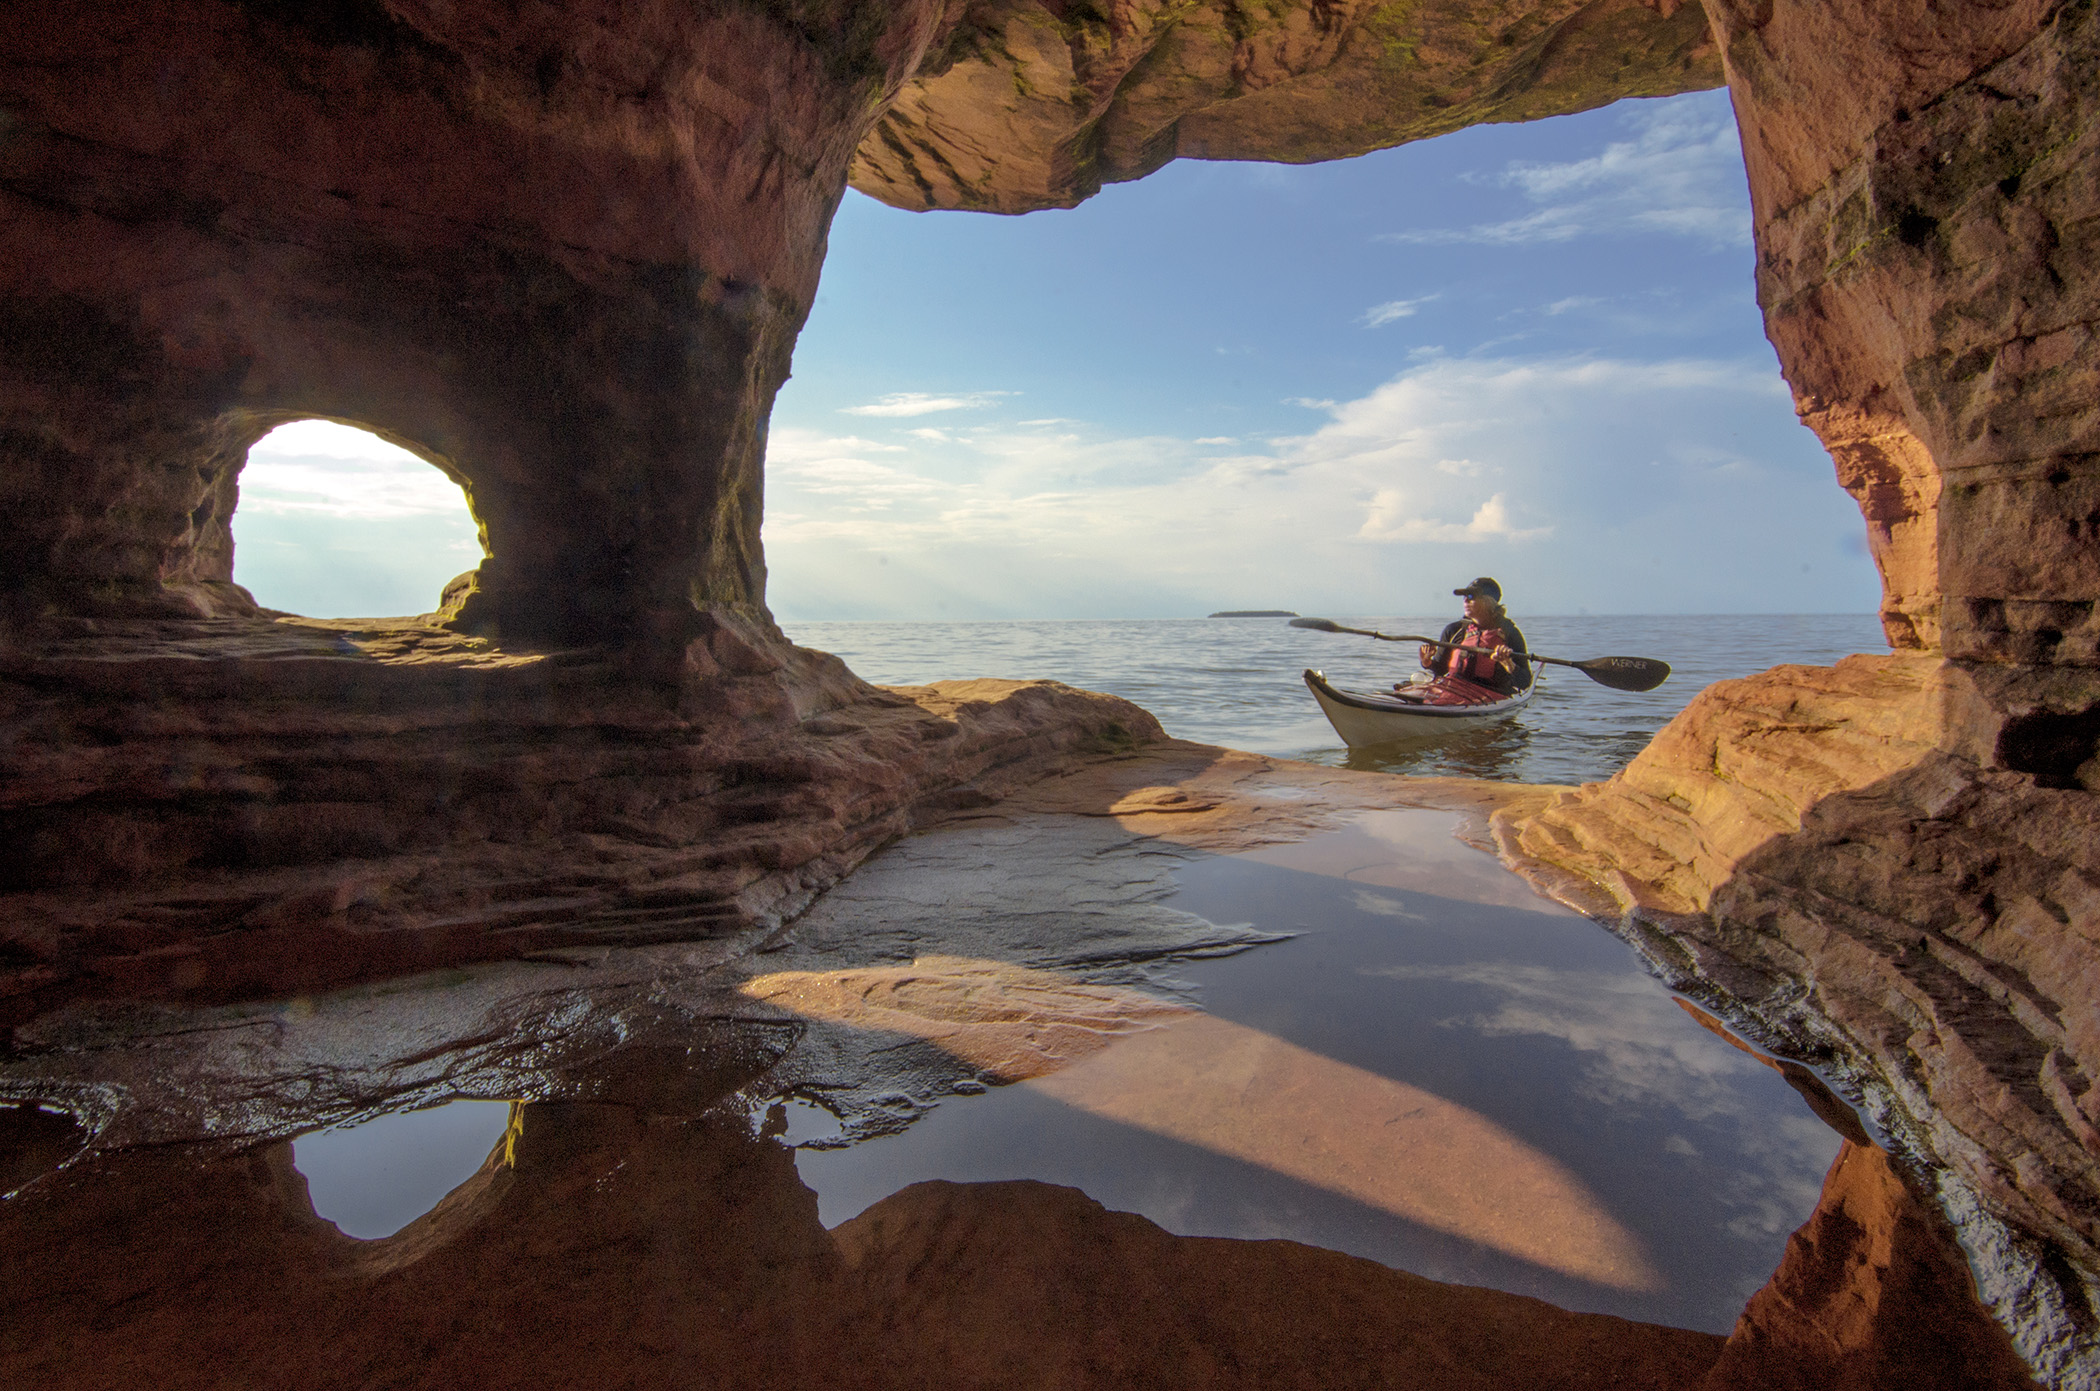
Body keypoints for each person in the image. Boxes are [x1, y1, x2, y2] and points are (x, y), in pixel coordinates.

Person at [1406, 577, 1531, 704]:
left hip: (1490, 693)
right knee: (1409, 695)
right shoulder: (1454, 630)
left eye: (1471, 596)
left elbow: (1525, 682)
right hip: (1452, 688)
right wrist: (1427, 661)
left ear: (1488, 602)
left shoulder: (1510, 633)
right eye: (1464, 596)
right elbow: (1440, 670)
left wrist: (1508, 664)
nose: (1466, 600)